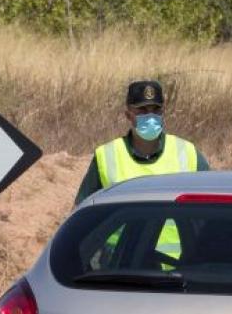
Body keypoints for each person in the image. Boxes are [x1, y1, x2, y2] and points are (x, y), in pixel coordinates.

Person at [74, 80, 211, 257]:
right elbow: (80, 216)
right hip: (118, 267)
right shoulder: (106, 156)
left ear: (163, 112)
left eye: (156, 110)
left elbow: (211, 216)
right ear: (128, 114)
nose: (151, 116)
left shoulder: (188, 153)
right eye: (142, 110)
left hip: (178, 269)